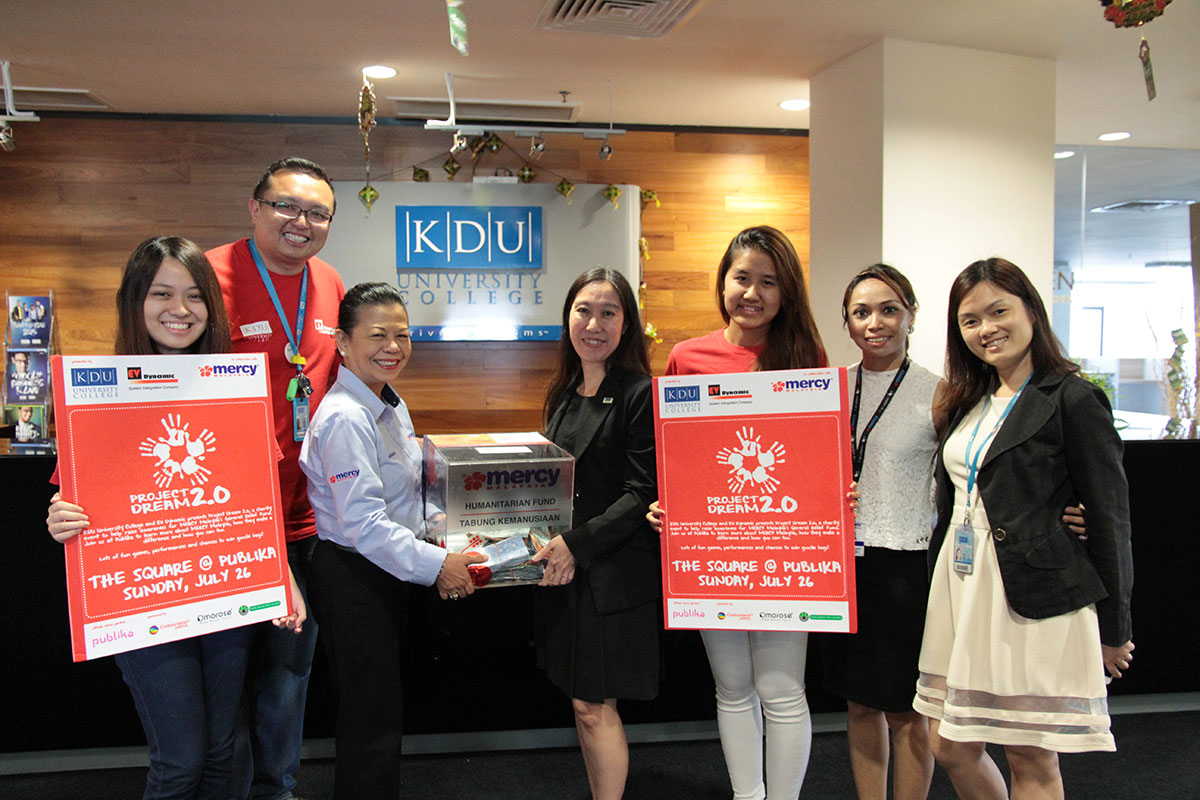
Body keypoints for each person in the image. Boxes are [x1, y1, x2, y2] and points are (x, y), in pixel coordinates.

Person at [45, 236, 306, 800]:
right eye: (162, 293)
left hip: (225, 590)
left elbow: (256, 500)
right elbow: (77, 498)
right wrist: (61, 517)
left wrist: (282, 580)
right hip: (146, 596)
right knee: (181, 760)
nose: (180, 309)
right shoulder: (99, 395)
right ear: (135, 301)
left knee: (220, 755)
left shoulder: (236, 388)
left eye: (195, 295)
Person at [914, 257, 1134, 799]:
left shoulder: (1071, 397)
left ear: (1030, 309)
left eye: (998, 311)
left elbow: (1110, 516)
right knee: (949, 745)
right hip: (961, 589)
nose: (986, 329)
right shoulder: (966, 400)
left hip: (1031, 595)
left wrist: (1115, 627)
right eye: (970, 320)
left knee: (1030, 754)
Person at [649, 225, 830, 800]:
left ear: (786, 291)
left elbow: (818, 458)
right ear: (723, 282)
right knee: (731, 689)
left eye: (768, 282)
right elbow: (673, 457)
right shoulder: (687, 358)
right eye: (742, 278)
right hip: (713, 550)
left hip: (783, 550)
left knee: (782, 691)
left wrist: (837, 492)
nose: (752, 293)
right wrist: (663, 504)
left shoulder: (804, 358)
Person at [298, 282, 484, 800]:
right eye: (377, 335)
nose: (393, 347)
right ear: (342, 341)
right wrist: (438, 564)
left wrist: (446, 537)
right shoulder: (345, 417)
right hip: (354, 576)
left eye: (402, 335)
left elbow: (407, 492)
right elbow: (364, 524)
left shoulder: (387, 401)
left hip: (388, 570)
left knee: (382, 712)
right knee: (369, 721)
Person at [206, 157, 345, 800]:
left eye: (317, 213)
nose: (301, 222)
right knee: (226, 675)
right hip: (230, 518)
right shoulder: (207, 277)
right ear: (254, 207)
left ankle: (278, 789)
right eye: (286, 205)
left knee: (290, 672)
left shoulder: (330, 282)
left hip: (308, 518)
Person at [531, 268, 660, 800]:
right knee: (582, 705)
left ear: (626, 324)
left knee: (594, 705)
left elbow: (643, 492)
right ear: (567, 317)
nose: (594, 324)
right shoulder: (564, 392)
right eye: (584, 310)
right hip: (567, 572)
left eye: (609, 313)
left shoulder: (639, 394)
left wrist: (575, 545)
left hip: (613, 576)